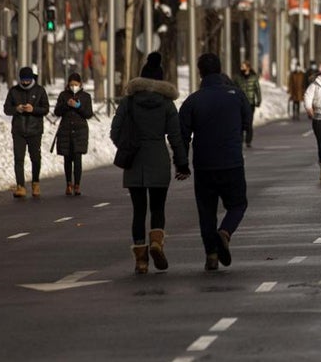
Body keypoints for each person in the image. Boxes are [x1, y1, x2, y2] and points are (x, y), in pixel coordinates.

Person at [111, 52, 189, 274]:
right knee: (157, 207)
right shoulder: (166, 104)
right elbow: (175, 137)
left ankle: (141, 260)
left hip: (134, 161)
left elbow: (115, 131)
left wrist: (127, 145)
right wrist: (182, 163)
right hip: (158, 159)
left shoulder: (128, 102)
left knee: (138, 211)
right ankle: (156, 241)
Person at [179, 53, 252, 272]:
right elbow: (247, 122)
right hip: (232, 162)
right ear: (220, 70)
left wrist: (182, 164)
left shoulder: (193, 100)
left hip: (204, 165)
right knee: (238, 204)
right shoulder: (237, 95)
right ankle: (226, 232)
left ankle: (211, 254)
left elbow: (182, 134)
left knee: (206, 211)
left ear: (200, 72)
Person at [5, 66, 50, 198]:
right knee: (18, 158)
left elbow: (45, 109)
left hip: (35, 130)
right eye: (23, 80)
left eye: (27, 80)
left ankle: (35, 183)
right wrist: (17, 108)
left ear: (32, 79)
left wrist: (33, 109)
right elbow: (6, 109)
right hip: (18, 130)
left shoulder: (40, 90)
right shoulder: (14, 91)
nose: (25, 82)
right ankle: (20, 186)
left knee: (35, 158)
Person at [53, 72, 93, 196]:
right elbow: (57, 112)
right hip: (65, 131)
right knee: (67, 159)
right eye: (71, 84)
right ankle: (68, 184)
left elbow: (88, 114)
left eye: (75, 84)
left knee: (77, 159)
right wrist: (66, 104)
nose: (73, 86)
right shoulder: (63, 95)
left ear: (80, 84)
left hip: (80, 131)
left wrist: (78, 106)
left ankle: (77, 185)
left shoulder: (86, 96)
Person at [234, 61, 262, 147]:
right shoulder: (238, 78)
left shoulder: (254, 78)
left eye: (243, 66)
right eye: (241, 66)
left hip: (250, 103)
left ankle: (248, 141)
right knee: (240, 122)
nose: (242, 68)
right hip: (240, 103)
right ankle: (240, 139)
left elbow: (257, 90)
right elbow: (234, 89)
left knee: (249, 122)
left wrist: (258, 100)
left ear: (248, 67)